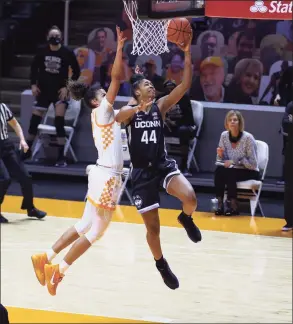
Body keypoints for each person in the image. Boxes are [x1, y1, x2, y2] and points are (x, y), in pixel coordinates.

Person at [31, 26, 127, 296]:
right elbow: (117, 78)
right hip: (108, 176)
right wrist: (119, 47)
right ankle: (58, 271)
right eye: (104, 93)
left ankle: (45, 257)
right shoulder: (104, 111)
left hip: (101, 173)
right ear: (97, 101)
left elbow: (123, 106)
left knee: (83, 225)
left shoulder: (105, 115)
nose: (109, 93)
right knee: (95, 232)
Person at [115, 35, 202, 290]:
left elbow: (185, 84)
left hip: (162, 165)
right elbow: (119, 116)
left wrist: (186, 52)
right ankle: (161, 264)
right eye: (146, 85)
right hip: (142, 174)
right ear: (136, 92)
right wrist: (135, 109)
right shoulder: (130, 112)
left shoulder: (160, 106)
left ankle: (186, 218)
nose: (152, 87)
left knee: (191, 198)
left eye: (152, 85)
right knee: (153, 229)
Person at [23, 25, 80, 167]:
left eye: (57, 35)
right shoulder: (42, 51)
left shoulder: (67, 52)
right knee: (34, 120)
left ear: (61, 37)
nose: (55, 37)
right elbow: (33, 69)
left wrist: (67, 87)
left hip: (59, 91)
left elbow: (77, 72)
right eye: (52, 35)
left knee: (59, 121)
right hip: (43, 90)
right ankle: (27, 150)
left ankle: (61, 156)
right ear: (48, 37)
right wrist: (33, 85)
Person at [0, 103, 47, 223]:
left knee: (25, 177)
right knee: (4, 179)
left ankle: (30, 208)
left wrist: (22, 140)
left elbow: (15, 124)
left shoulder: (3, 107)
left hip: (6, 146)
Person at [214, 110, 259, 216]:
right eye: (230, 120)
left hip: (249, 170)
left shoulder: (248, 138)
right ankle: (220, 204)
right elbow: (220, 160)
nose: (232, 122)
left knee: (230, 172)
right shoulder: (224, 136)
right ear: (227, 123)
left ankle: (233, 205)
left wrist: (235, 161)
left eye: (235, 120)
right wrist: (220, 155)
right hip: (231, 170)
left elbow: (253, 164)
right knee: (219, 170)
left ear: (240, 123)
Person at [163, 79, 197, 176]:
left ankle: (184, 165)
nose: (170, 91)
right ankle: (157, 164)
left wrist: (175, 123)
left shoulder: (184, 98)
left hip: (183, 126)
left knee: (183, 131)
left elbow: (189, 120)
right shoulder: (162, 99)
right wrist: (166, 121)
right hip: (168, 126)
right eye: (168, 89)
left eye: (172, 89)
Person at [282, 101, 293, 231]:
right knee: (289, 187)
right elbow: (286, 124)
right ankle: (290, 221)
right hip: (291, 152)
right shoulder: (290, 105)